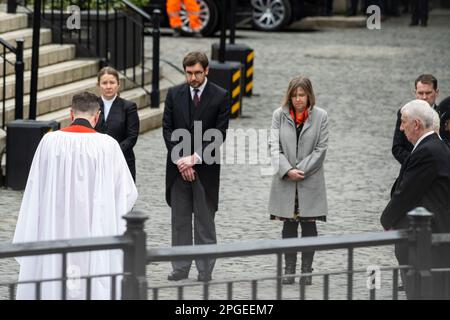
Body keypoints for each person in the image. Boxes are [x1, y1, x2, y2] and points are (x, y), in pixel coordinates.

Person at [13, 92, 138, 300]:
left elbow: (35, 187)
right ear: (97, 116)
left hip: (55, 227)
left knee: (55, 275)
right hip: (94, 231)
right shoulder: (108, 146)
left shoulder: (49, 142)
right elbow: (126, 193)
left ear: (71, 114)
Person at [162, 51, 230, 282]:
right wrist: (183, 161)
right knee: (180, 221)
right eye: (189, 73)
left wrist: (195, 158)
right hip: (177, 169)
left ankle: (205, 269)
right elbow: (167, 129)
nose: (193, 77)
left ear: (207, 70)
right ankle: (180, 267)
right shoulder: (173, 94)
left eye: (198, 73)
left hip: (206, 169)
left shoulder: (221, 96)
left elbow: (219, 134)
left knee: (204, 222)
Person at [381, 99, 450, 299]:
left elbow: (405, 193)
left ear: (416, 124)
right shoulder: (437, 146)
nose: (401, 128)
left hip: (425, 243)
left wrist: (386, 221)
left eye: (403, 122)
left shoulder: (427, 151)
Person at [268, 76, 329, 285]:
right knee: (289, 226)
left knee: (309, 226)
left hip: (309, 180)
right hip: (286, 181)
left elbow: (321, 149)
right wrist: (287, 170)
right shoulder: (279, 115)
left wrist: (298, 170)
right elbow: (273, 147)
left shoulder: (321, 116)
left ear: (309, 95)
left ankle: (306, 270)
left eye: (301, 95)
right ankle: (289, 269)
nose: (298, 99)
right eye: (294, 95)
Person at [95, 67, 140, 182]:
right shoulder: (92, 106)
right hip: (96, 161)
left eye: (112, 82)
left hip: (122, 160)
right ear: (98, 85)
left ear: (118, 84)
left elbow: (132, 137)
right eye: (104, 83)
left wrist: (113, 152)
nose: (108, 86)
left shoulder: (128, 107)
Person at [392, 74, 440, 165]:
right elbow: (397, 147)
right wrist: (415, 161)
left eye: (428, 93)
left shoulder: (443, 114)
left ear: (436, 92)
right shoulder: (404, 113)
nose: (424, 97)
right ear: (415, 93)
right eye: (420, 93)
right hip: (411, 167)